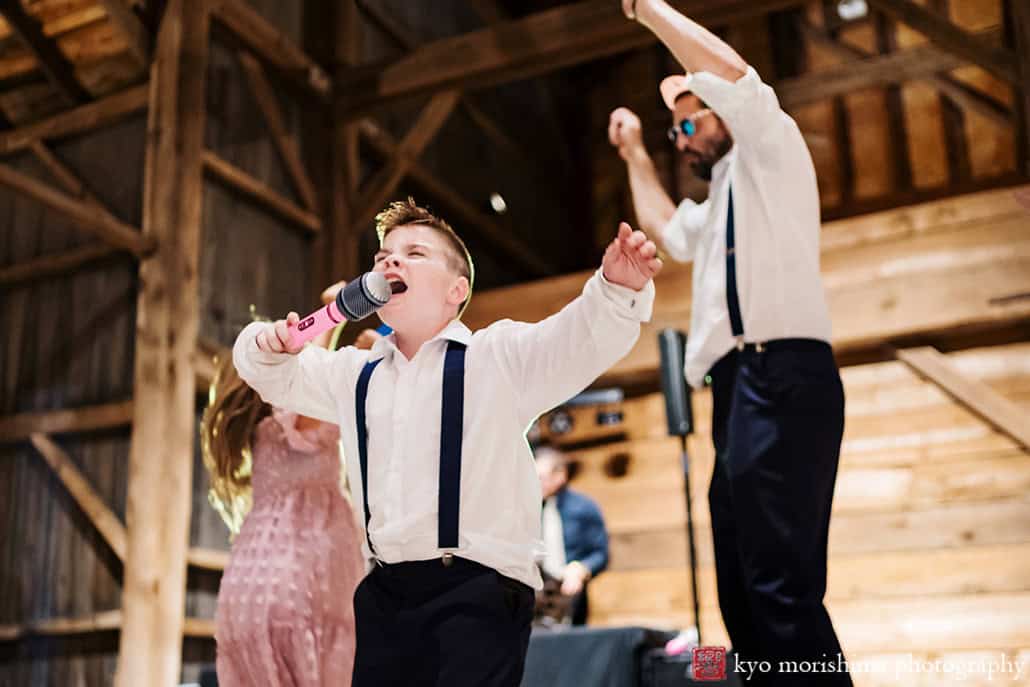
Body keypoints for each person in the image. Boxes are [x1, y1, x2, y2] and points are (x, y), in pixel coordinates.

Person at [233, 198, 662, 686]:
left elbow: (575, 339)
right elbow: (267, 373)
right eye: (382, 257)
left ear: (456, 291)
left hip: (478, 590)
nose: (391, 262)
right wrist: (265, 341)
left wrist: (615, 289)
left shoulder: (496, 357)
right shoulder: (354, 374)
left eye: (414, 253)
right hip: (383, 592)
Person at [609, 2, 849, 685]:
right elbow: (668, 229)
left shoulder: (771, 148)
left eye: (690, 122)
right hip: (735, 392)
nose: (681, 139)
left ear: (723, 111)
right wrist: (634, 153)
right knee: (740, 586)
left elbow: (738, 77)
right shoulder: (718, 203)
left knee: (780, 585)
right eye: (675, 129)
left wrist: (648, 9)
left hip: (781, 375)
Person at [202, 286, 366, 687]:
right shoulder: (293, 413)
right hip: (302, 577)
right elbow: (311, 388)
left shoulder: (266, 428)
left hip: (255, 581)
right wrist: (333, 316)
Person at [535, 443, 609, 626]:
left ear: (560, 475)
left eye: (541, 478)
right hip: (534, 596)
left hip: (570, 596)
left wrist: (582, 568)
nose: (536, 484)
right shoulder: (526, 509)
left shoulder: (584, 507)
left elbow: (601, 553)